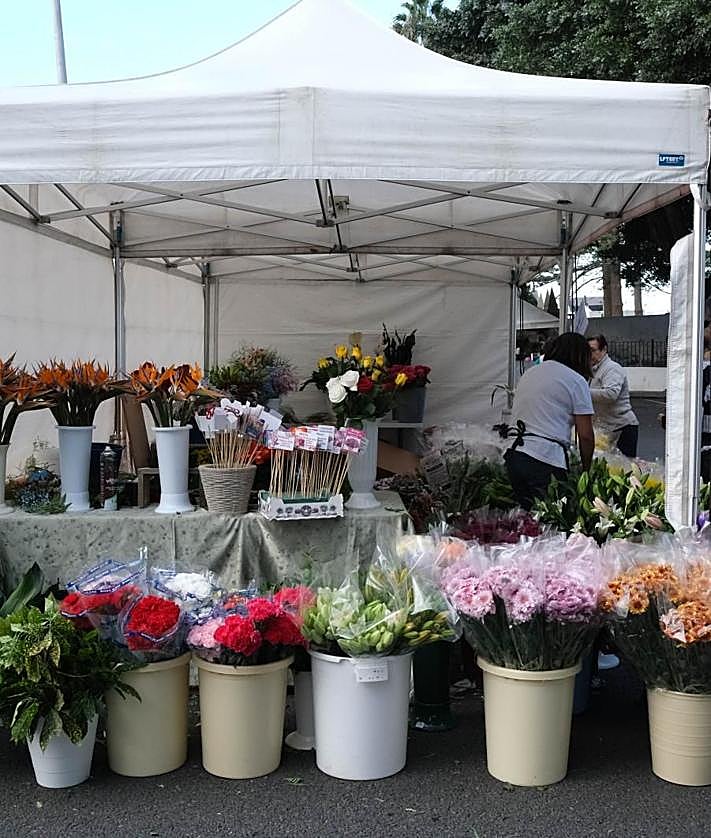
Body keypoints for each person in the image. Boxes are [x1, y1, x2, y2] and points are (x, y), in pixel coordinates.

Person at [504, 332, 595, 510]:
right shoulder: (576, 381)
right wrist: (586, 470)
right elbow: (585, 436)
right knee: (552, 520)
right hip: (545, 460)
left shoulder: (531, 372)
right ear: (580, 356)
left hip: (515, 453)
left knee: (527, 518)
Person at [587, 334, 639, 457]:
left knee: (624, 466)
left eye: (593, 350)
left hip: (622, 428)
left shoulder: (612, 368)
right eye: (587, 351)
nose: (590, 354)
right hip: (606, 429)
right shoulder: (594, 369)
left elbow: (611, 394)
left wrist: (584, 392)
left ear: (604, 349)